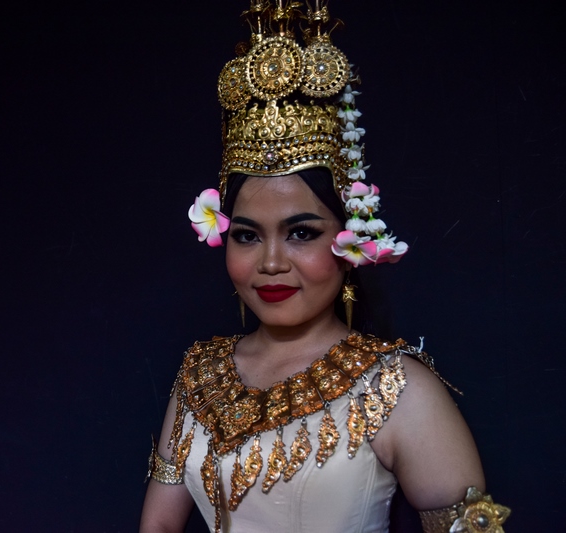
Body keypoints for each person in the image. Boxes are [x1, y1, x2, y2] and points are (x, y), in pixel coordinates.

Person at [140, 1, 510, 532]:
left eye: (300, 233)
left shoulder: (398, 389)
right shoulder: (199, 377)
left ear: (350, 238)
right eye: (247, 235)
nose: (270, 262)